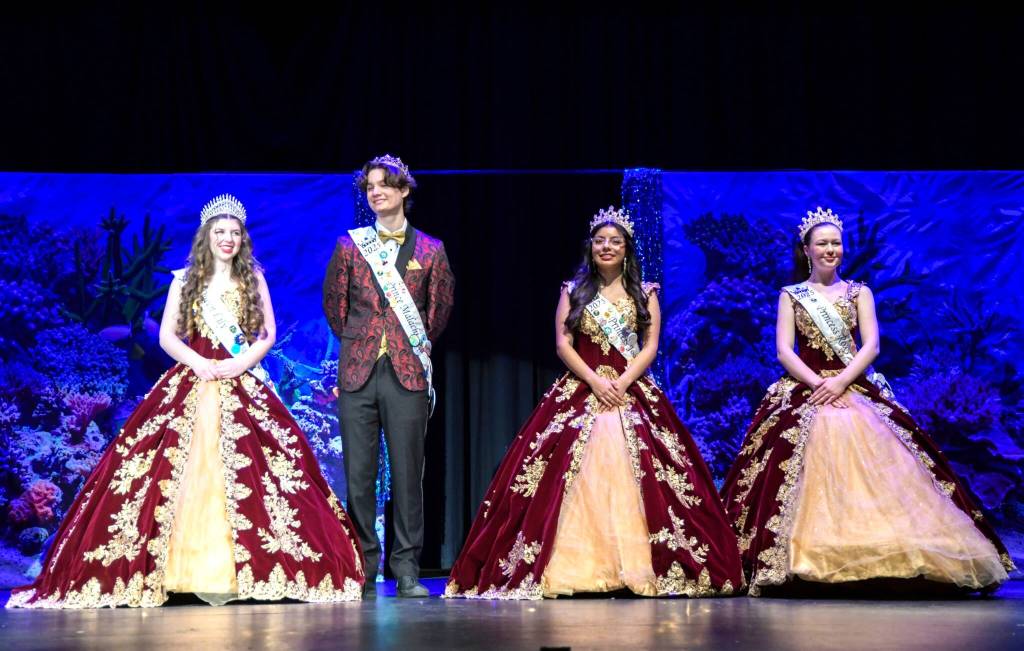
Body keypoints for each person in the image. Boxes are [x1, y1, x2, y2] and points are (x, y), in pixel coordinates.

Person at [8, 194, 364, 608]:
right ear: (206, 237)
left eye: (234, 233)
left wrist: (239, 364)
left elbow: (267, 333)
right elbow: (166, 336)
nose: (227, 239)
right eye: (220, 233)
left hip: (238, 377)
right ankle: (174, 572)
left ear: (242, 238)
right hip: (192, 377)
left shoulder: (253, 278)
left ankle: (250, 571)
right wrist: (200, 363)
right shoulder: (185, 278)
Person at [445, 206, 743, 599]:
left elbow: (650, 346)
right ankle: (577, 566)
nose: (607, 247)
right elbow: (562, 344)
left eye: (615, 242)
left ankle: (637, 567)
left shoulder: (645, 292)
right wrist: (594, 380)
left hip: (628, 385)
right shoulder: (574, 290)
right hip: (583, 386)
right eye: (601, 241)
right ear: (591, 247)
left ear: (626, 249)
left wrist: (620, 381)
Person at [720, 207, 1013, 596]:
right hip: (807, 386)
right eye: (822, 243)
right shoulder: (791, 295)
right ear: (806, 249)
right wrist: (817, 384)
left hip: (852, 384)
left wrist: (840, 381)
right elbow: (784, 351)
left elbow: (871, 345)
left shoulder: (861, 292)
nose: (830, 249)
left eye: (836, 243)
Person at [323, 155, 455, 598]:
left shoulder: (430, 250)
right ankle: (363, 567)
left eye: (384, 185)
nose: (375, 192)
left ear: (404, 192)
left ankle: (407, 570)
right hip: (359, 372)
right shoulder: (349, 246)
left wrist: (402, 342)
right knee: (359, 476)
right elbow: (335, 308)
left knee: (407, 474)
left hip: (407, 374)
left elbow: (437, 313)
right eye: (369, 187)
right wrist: (364, 339)